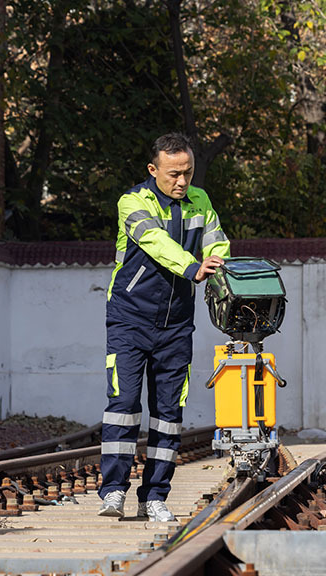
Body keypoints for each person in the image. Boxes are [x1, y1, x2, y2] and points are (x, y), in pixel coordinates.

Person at [98, 133, 230, 522]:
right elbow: (154, 241)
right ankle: (113, 492)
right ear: (153, 170)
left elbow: (217, 240)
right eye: (174, 174)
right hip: (129, 319)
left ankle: (154, 496)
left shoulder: (200, 201)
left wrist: (217, 260)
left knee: (168, 413)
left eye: (188, 172)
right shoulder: (133, 203)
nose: (182, 182)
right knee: (123, 407)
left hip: (176, 326)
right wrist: (193, 267)